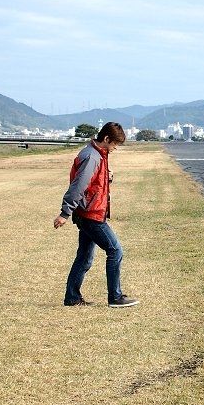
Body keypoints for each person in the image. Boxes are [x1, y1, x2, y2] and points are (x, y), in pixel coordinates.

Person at [53, 122, 139, 308]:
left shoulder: (97, 154)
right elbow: (78, 186)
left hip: (89, 212)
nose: (115, 148)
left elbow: (94, 184)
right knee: (115, 251)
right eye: (115, 144)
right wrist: (65, 213)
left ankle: (72, 298)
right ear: (106, 139)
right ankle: (115, 297)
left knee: (84, 257)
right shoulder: (92, 157)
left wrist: (108, 177)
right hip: (91, 214)